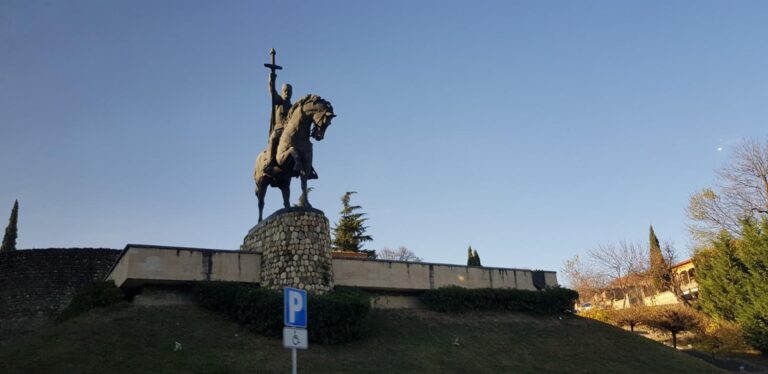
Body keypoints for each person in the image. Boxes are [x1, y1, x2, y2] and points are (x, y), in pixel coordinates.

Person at [263, 72, 292, 175]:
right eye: (285, 91)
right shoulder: (279, 101)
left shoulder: (293, 107)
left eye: (289, 91)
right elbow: (272, 91)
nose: (287, 93)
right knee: (273, 139)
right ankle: (270, 163)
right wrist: (271, 80)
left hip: (289, 132)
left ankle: (307, 167)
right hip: (279, 130)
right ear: (282, 91)